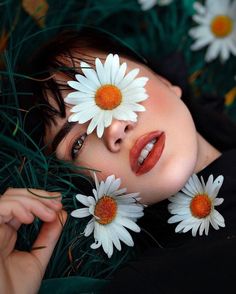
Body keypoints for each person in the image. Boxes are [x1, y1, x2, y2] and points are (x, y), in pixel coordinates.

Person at [1, 28, 236, 293]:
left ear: (163, 80)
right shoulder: (152, 284)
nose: (114, 129)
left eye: (111, 87)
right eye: (78, 142)